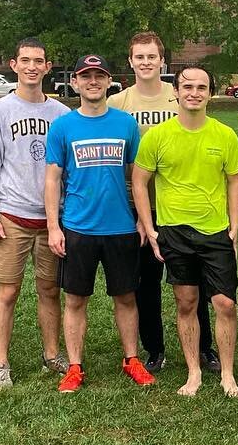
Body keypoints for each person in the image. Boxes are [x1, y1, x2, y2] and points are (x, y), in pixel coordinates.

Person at [44, 54, 155, 393]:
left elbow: (137, 177)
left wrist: (140, 217)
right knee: (76, 299)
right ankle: (74, 366)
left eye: (99, 76)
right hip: (78, 227)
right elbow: (52, 179)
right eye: (85, 76)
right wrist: (53, 226)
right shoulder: (63, 126)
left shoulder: (125, 124)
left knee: (126, 296)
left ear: (109, 82)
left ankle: (131, 358)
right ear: (75, 83)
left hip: (121, 226)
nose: (93, 82)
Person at [108, 32, 218, 374]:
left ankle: (204, 347)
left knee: (192, 282)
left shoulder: (179, 96)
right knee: (146, 282)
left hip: (179, 205)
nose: (145, 62)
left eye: (151, 56)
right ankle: (154, 348)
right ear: (130, 61)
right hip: (138, 207)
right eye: (139, 56)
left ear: (162, 60)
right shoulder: (119, 104)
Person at [132, 64, 238, 398]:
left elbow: (234, 181)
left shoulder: (224, 135)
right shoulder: (157, 136)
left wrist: (234, 228)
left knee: (225, 304)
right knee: (186, 302)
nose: (194, 93)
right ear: (176, 92)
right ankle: (193, 372)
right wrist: (150, 229)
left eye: (202, 87)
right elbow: (139, 180)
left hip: (215, 232)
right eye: (187, 87)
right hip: (174, 232)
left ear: (210, 93)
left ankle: (227, 374)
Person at [0, 38, 70, 388]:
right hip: (11, 216)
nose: (32, 66)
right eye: (25, 60)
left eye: (39, 61)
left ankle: (51, 354)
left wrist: (61, 216)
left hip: (51, 220)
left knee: (49, 289)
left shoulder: (61, 114)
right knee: (8, 291)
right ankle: (1, 363)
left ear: (48, 67)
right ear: (13, 65)